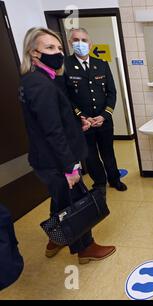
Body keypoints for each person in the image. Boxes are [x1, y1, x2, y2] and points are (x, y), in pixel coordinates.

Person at [19, 27, 116, 263]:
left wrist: (77, 123)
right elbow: (52, 131)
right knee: (76, 203)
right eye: (49, 48)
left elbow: (53, 120)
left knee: (61, 199)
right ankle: (85, 248)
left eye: (59, 47)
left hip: (50, 159)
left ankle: (56, 238)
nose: (58, 52)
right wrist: (70, 167)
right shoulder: (40, 85)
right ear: (34, 53)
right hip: (56, 161)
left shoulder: (40, 80)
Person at [64, 28, 127, 196]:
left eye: (84, 40)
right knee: (90, 156)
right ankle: (99, 183)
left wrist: (105, 115)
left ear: (90, 44)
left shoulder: (101, 64)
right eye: (76, 40)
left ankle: (114, 179)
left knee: (108, 153)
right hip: (83, 123)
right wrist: (81, 116)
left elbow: (111, 92)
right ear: (71, 43)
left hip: (103, 120)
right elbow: (65, 96)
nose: (80, 43)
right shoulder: (65, 66)